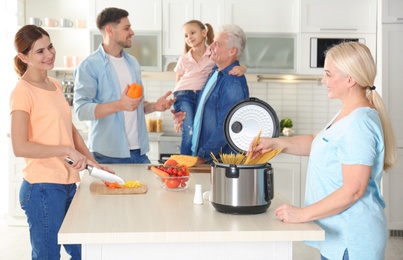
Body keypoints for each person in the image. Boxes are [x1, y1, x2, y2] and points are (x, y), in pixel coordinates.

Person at [248, 42, 398, 260]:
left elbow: (354, 190)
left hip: (353, 239)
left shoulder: (359, 123)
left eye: (328, 74)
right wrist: (276, 143)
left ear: (350, 79)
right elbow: (318, 142)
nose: (323, 81)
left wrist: (301, 214)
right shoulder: (348, 113)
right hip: (339, 237)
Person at [10, 25, 112, 259]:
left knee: (83, 252)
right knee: (47, 256)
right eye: (40, 51)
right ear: (23, 57)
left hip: (67, 184)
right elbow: (20, 146)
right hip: (42, 188)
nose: (49, 54)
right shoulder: (22, 91)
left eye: (50, 47)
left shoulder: (54, 84)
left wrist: (92, 162)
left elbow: (69, 130)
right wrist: (66, 150)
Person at [74, 7, 174, 164]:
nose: (132, 32)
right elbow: (81, 111)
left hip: (139, 153)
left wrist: (154, 106)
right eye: (126, 28)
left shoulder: (132, 63)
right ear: (110, 31)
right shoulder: (89, 65)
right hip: (107, 156)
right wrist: (119, 105)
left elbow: (134, 106)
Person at [173, 24, 249, 164]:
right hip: (206, 160)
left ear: (232, 51)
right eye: (213, 41)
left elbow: (227, 126)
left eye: (217, 43)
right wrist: (184, 115)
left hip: (216, 163)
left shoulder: (232, 82)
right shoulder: (215, 72)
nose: (211, 46)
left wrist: (202, 156)